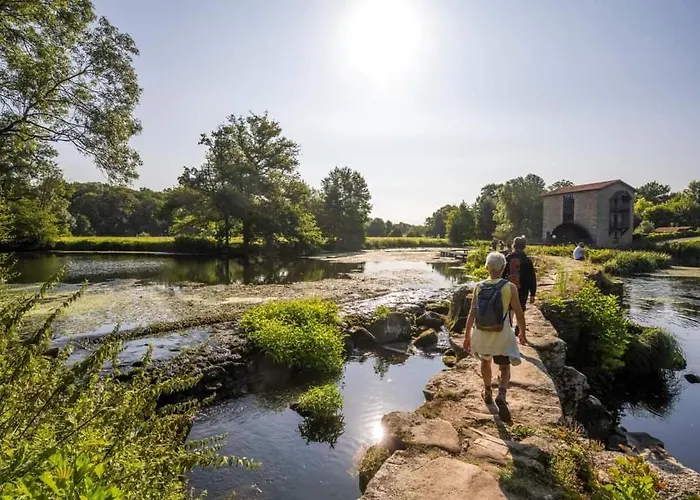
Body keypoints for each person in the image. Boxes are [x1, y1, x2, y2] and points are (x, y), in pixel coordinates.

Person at [463, 252, 527, 413]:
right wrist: (522, 333)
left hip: (482, 332)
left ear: (486, 267)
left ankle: (487, 391)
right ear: (504, 267)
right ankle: (502, 394)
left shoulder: (479, 287)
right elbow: (519, 313)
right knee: (504, 366)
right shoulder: (509, 287)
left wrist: (466, 336)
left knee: (485, 362)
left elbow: (472, 313)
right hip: (502, 333)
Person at [502, 237, 537, 335]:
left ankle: (508, 328)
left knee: (509, 308)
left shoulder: (508, 258)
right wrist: (533, 293)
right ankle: (519, 329)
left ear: (514, 245)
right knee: (520, 308)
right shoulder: (527, 260)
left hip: (508, 288)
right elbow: (532, 278)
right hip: (523, 289)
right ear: (524, 246)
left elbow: (502, 274)